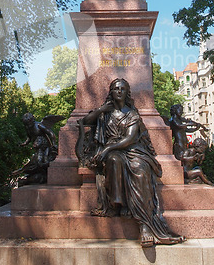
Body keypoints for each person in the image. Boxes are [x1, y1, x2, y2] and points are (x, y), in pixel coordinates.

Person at [78, 78, 184, 247]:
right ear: (111, 92)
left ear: (127, 92)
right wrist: (101, 110)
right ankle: (117, 203)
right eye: (116, 88)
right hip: (113, 153)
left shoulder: (132, 114)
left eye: (122, 89)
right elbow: (85, 121)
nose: (119, 91)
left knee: (140, 170)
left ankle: (144, 225)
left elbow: (130, 138)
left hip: (132, 150)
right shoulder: (106, 113)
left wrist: (106, 149)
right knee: (113, 160)